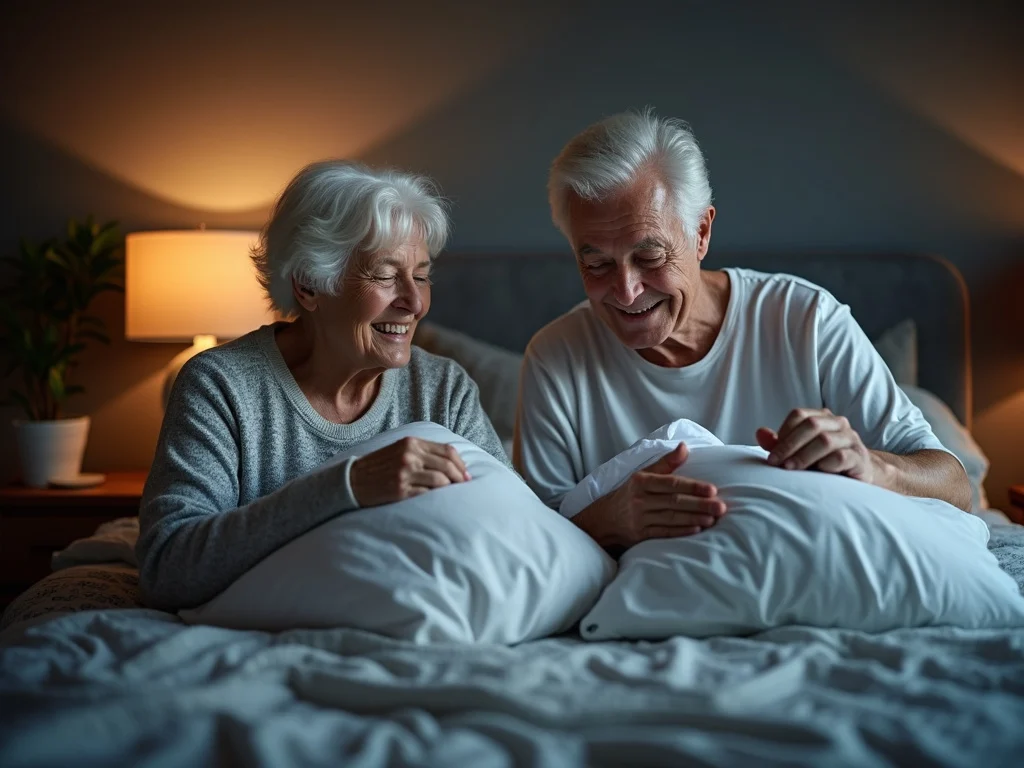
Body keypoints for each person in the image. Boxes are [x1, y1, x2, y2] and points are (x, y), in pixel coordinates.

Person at [515, 109, 971, 552]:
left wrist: (871, 467)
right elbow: (531, 541)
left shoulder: (806, 320)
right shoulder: (557, 356)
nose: (627, 292)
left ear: (701, 233)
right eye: (596, 264)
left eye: (650, 257)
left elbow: (954, 485)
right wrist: (608, 520)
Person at [137, 160, 510, 611]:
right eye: (386, 275)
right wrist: (347, 485)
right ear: (310, 285)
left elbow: (510, 537)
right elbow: (167, 569)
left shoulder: (443, 390)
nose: (414, 302)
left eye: (422, 275)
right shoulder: (220, 386)